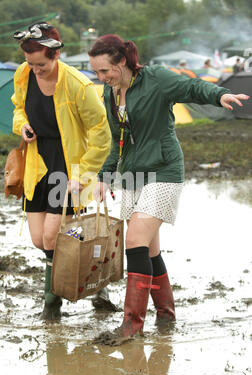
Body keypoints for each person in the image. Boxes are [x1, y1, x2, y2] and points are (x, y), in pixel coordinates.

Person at [88, 34, 249, 345]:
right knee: (149, 249)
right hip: (134, 173)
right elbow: (116, 140)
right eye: (96, 72)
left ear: (122, 62)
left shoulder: (156, 79)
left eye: (105, 71)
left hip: (164, 169)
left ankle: (131, 326)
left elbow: (191, 87)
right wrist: (104, 175)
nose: (101, 78)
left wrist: (219, 96)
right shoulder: (111, 94)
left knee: (133, 240)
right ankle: (166, 315)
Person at [11, 22, 115, 320]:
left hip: (69, 166)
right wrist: (22, 125)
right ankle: (96, 277)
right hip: (36, 162)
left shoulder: (77, 85)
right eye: (30, 64)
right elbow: (18, 107)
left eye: (40, 64)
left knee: (52, 239)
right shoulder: (23, 74)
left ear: (56, 56)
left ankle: (51, 305)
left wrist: (84, 174)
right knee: (38, 239)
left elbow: (101, 132)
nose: (35, 70)